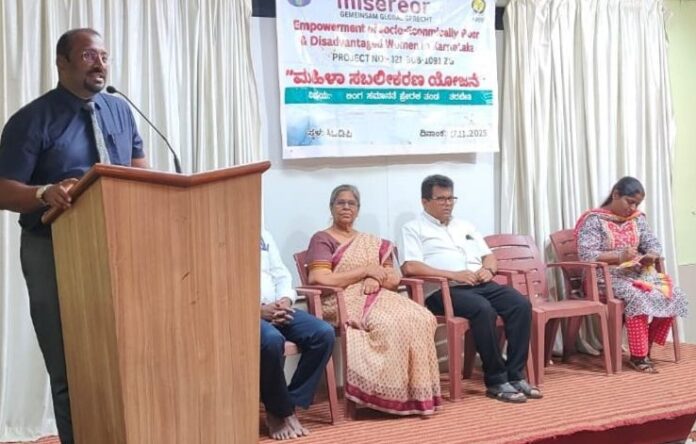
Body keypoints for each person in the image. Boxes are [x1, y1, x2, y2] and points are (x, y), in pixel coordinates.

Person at [0, 28, 147, 443]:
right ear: (62, 62)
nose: (100, 63)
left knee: (122, 357)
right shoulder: (31, 120)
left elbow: (140, 170)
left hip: (117, 246)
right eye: (88, 55)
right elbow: (3, 189)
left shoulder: (120, 109)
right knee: (70, 363)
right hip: (53, 250)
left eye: (104, 56)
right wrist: (44, 193)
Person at [401, 174, 541, 403]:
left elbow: (489, 256)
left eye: (451, 198)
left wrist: (489, 270)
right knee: (483, 309)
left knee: (520, 304)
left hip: (480, 283)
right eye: (441, 199)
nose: (447, 203)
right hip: (443, 290)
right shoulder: (413, 228)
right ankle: (496, 380)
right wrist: (454, 275)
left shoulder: (465, 225)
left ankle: (515, 376)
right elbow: (410, 266)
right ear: (425, 202)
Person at [305, 185, 441, 415]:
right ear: (331, 207)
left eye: (351, 203)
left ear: (358, 210)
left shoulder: (371, 241)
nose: (346, 207)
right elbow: (319, 278)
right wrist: (365, 271)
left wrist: (375, 278)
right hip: (339, 300)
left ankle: (414, 394)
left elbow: (393, 278)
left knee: (422, 317)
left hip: (377, 295)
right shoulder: (322, 239)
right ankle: (385, 394)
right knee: (388, 324)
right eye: (340, 203)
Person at [575, 176, 688, 373]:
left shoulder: (637, 219)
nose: (633, 207)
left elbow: (653, 244)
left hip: (636, 274)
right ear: (615, 194)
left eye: (637, 203)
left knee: (673, 294)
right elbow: (586, 255)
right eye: (630, 201)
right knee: (637, 295)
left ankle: (646, 346)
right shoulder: (594, 220)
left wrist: (651, 255)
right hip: (604, 277)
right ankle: (638, 356)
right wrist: (618, 256)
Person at [259, 228, 335, 440]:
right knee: (272, 340)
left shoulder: (264, 234)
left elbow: (281, 274)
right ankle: (278, 412)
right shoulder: (220, 235)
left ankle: (287, 405)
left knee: (323, 333)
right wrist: (258, 311)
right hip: (246, 314)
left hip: (278, 307)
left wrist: (285, 301)